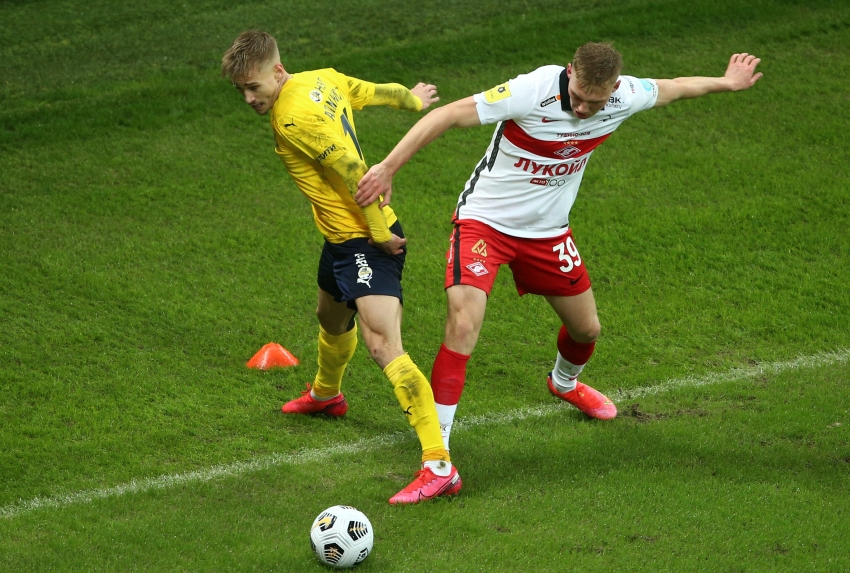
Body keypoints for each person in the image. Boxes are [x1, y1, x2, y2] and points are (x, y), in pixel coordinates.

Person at [357, 43, 763, 453]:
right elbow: (447, 114)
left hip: (548, 233)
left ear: (614, 89)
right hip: (485, 223)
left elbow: (675, 87)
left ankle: (564, 382)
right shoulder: (532, 90)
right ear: (570, 72)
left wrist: (727, 82)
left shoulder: (625, 95)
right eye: (578, 97)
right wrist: (388, 167)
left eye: (595, 103)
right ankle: (437, 449)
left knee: (586, 329)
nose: (584, 109)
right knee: (463, 325)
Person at [221, 30, 461, 504]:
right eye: (241, 91)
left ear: (277, 71)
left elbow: (353, 169)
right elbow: (367, 91)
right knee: (330, 317)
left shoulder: (294, 117)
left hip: (364, 240)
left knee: (383, 345)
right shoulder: (321, 79)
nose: (249, 99)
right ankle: (327, 395)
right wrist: (411, 99)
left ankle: (439, 465)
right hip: (340, 240)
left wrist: (380, 233)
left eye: (253, 87)